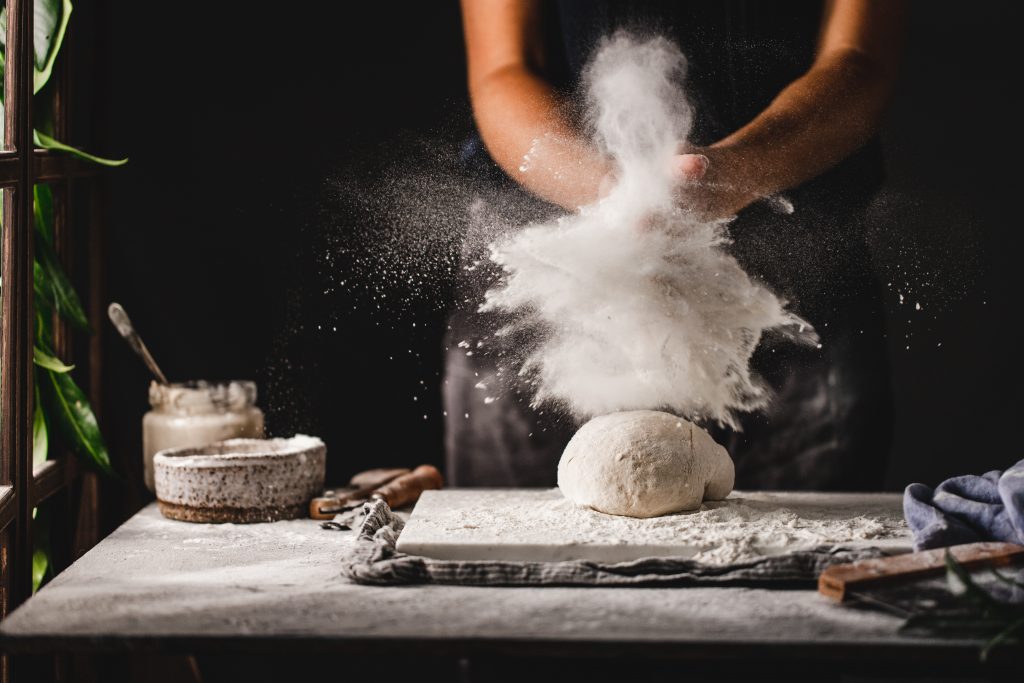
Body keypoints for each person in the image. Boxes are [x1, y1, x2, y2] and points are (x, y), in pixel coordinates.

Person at [445, 0, 908, 490]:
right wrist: (617, 192)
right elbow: (505, 67)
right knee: (524, 554)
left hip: (795, 286)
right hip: (546, 281)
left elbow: (858, 58)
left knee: (799, 554)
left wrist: (734, 172)